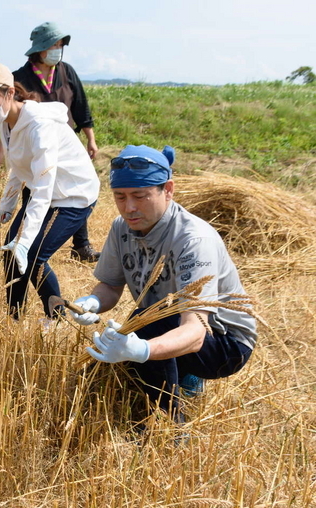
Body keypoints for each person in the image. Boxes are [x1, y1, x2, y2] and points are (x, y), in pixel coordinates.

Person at [69, 144, 257, 424]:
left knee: (144, 331)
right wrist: (92, 302)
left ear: (168, 189)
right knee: (135, 327)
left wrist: (142, 351)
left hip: (225, 342)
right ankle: (182, 376)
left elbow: (195, 331)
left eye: (140, 196)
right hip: (168, 322)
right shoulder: (122, 229)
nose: (129, 207)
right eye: (120, 197)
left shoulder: (193, 240)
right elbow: (110, 286)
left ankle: (171, 425)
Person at [0, 63, 100, 324]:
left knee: (34, 256)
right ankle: (14, 320)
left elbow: (44, 184)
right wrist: (7, 204)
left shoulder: (39, 125)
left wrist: (25, 240)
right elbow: (18, 165)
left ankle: (55, 318)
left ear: (10, 93)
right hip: (43, 191)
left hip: (71, 195)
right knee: (10, 254)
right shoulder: (6, 122)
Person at [0, 22, 101, 263]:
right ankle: (29, 244)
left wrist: (90, 138)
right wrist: (1, 151)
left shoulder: (66, 71)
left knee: (70, 191)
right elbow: (8, 121)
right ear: (39, 49)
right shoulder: (20, 77)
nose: (58, 50)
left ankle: (80, 245)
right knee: (36, 193)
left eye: (60, 45)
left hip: (64, 144)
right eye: (53, 45)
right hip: (33, 149)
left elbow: (81, 106)